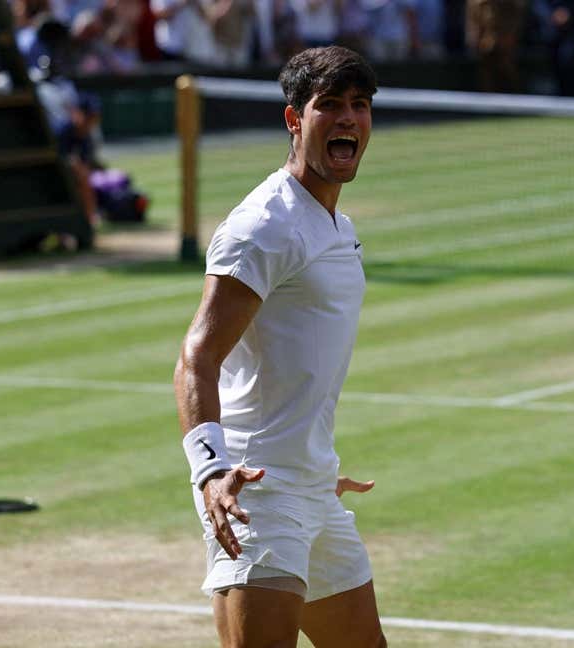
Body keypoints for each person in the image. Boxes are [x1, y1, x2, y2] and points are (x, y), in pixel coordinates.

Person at [173, 46, 385, 648]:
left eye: (360, 106)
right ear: (295, 119)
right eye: (330, 106)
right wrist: (210, 470)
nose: (348, 119)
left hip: (312, 483)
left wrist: (311, 456)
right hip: (257, 493)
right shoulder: (264, 225)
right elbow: (197, 357)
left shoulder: (336, 226)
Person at [54, 92, 103, 225]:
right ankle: (89, 217)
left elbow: (85, 163)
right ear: (77, 113)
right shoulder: (61, 131)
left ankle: (90, 217)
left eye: (94, 118)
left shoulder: (86, 137)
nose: (92, 121)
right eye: (88, 117)